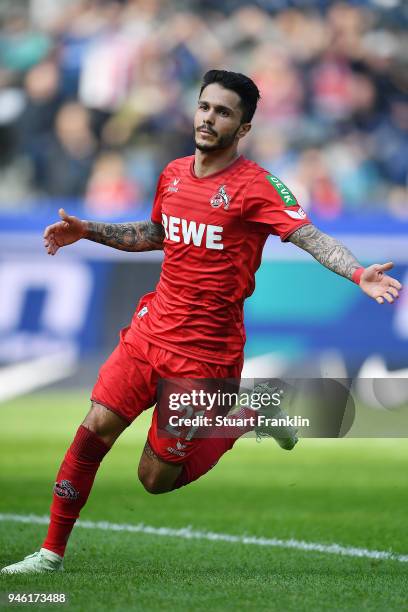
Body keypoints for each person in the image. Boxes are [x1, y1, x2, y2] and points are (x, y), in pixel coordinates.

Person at [1, 70, 401, 574]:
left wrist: (358, 271)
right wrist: (89, 230)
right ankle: (50, 554)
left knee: (155, 479)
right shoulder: (171, 173)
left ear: (244, 127)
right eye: (204, 107)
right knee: (93, 429)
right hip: (149, 332)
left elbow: (309, 236)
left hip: (207, 354)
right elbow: (155, 232)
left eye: (224, 112)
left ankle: (250, 413)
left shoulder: (258, 186)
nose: (209, 118)